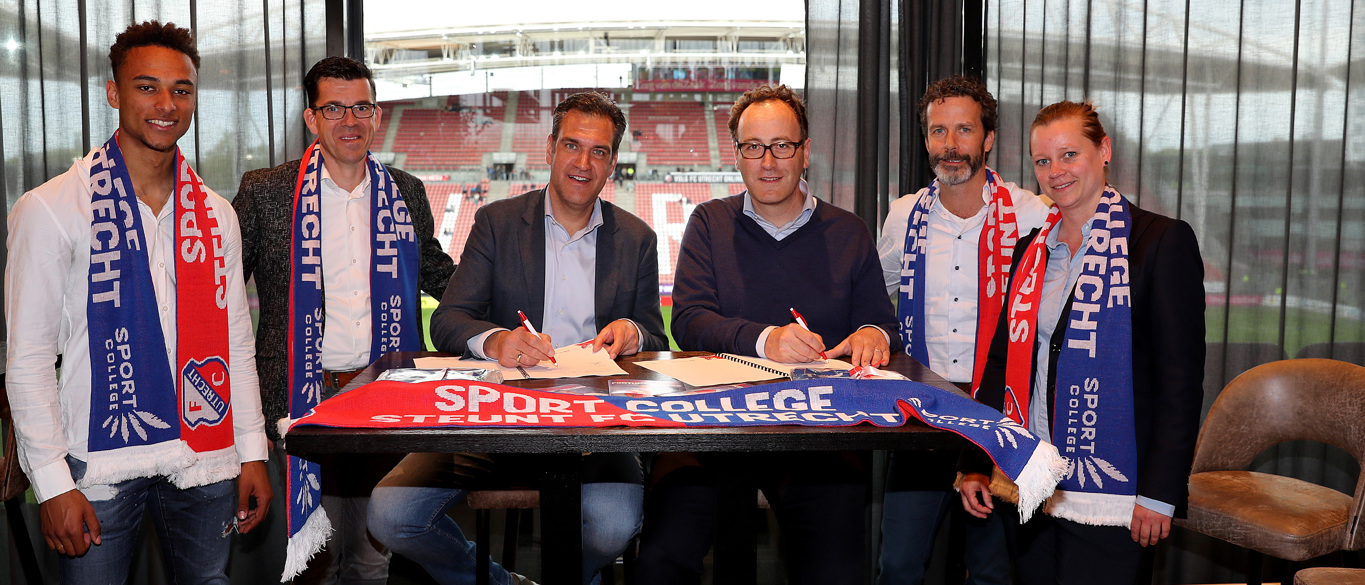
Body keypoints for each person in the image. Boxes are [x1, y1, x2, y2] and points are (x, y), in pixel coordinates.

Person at [4, 20, 271, 583]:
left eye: (181, 89)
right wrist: (52, 484)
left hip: (205, 454)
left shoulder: (217, 215)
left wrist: (252, 450)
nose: (166, 105)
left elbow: (235, 342)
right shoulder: (51, 208)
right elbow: (28, 359)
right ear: (114, 92)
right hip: (98, 463)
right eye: (147, 87)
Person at [367, 91, 666, 585]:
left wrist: (632, 332)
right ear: (549, 148)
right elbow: (449, 318)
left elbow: (655, 334)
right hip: (497, 415)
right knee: (391, 514)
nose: (583, 163)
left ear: (613, 163)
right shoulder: (497, 222)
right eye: (572, 145)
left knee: (613, 526)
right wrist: (495, 341)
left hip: (596, 423)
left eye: (598, 151)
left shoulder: (637, 239)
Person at [634, 84, 898, 585]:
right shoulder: (709, 222)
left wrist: (871, 333)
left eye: (782, 145)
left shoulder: (849, 231)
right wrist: (765, 340)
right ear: (737, 155)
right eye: (754, 147)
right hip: (711, 429)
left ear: (805, 152)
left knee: (836, 573)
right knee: (661, 560)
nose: (769, 161)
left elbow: (881, 322)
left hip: (817, 435)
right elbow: (688, 319)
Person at [959, 101, 1204, 585]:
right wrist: (976, 463)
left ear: (1104, 150)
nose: (1056, 171)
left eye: (1069, 154)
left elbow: (1179, 384)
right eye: (1043, 161)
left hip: (1118, 497)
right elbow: (1001, 362)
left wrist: (1160, 494)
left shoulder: (1160, 242)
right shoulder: (1030, 249)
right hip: (1031, 482)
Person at [233, 56, 456, 585]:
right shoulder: (266, 191)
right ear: (311, 117)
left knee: (374, 558)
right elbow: (223, 294)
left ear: (376, 115)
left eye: (361, 107)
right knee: (316, 560)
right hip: (302, 400)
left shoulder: (406, 190)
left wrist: (500, 305)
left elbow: (438, 275)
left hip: (386, 396)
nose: (350, 121)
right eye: (334, 108)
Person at [875, 75, 1050, 585]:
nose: (950, 145)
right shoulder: (903, 216)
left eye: (964, 130)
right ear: (926, 139)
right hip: (920, 412)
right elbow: (872, 299)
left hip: (997, 413)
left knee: (992, 569)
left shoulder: (1030, 214)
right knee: (898, 565)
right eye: (938, 131)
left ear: (988, 138)